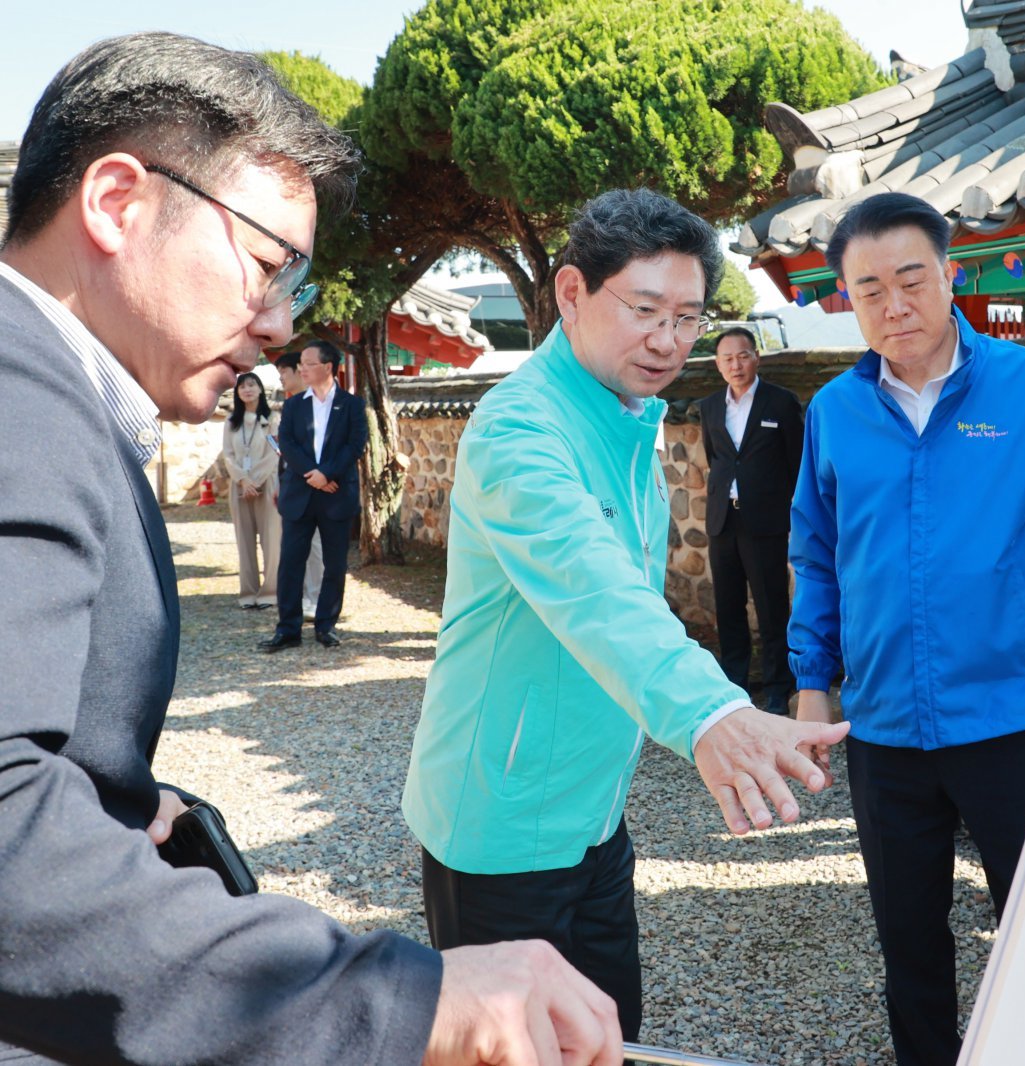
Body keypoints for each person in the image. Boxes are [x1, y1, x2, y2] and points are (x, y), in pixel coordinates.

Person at [0, 31, 622, 1066]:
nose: (282, 324)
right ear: (116, 201)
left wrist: (111, 801)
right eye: (265, 264)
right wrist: (392, 998)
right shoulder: (20, 401)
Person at [402, 188, 850, 1043]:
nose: (670, 341)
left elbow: (635, 605)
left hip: (593, 815)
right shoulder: (517, 431)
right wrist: (714, 713)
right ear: (571, 293)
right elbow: (598, 592)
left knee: (613, 1039)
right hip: (501, 821)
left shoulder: (623, 415)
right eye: (645, 311)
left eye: (688, 318)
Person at [787, 192, 1025, 1066]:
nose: (894, 306)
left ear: (951, 276)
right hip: (886, 729)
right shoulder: (833, 413)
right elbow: (816, 557)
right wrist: (810, 681)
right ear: (847, 301)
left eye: (911, 279)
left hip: (1016, 717)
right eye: (869, 291)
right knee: (909, 942)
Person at [697, 326, 804, 715]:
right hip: (723, 522)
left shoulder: (781, 402)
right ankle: (734, 687)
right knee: (728, 607)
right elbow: (717, 459)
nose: (735, 364)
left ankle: (778, 689)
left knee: (772, 607)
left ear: (756, 357)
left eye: (742, 356)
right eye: (727, 358)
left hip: (766, 523)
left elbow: (797, 466)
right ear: (717, 364)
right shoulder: (708, 407)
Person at [260, 339, 366, 651]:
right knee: (291, 563)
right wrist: (315, 476)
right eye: (301, 364)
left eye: (308, 363)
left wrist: (328, 474)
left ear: (328, 367)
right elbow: (288, 445)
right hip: (301, 494)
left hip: (336, 496)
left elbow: (355, 445)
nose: (301, 368)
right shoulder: (293, 404)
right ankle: (288, 629)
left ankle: (326, 625)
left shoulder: (352, 405)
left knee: (335, 565)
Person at [222, 371, 281, 609]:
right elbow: (228, 455)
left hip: (267, 485)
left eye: (251, 385)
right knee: (243, 542)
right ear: (237, 393)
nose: (247, 390)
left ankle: (270, 593)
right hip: (239, 487)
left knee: (272, 540)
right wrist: (243, 480)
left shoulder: (272, 418)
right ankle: (248, 593)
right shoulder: (230, 422)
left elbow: (274, 452)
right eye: (242, 387)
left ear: (259, 389)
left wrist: (255, 480)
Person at [274, 346, 324, 618]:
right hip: (292, 486)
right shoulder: (293, 404)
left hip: (313, 486)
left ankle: (317, 599)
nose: (281, 376)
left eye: (284, 371)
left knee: (315, 547)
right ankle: (304, 597)